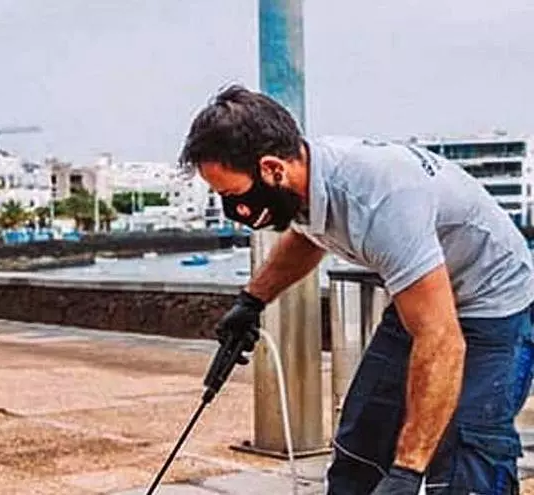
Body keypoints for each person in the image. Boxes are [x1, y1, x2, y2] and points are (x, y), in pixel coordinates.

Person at [178, 85, 534, 494]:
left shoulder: (380, 201)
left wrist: (408, 470)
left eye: (232, 195)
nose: (233, 211)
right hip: (422, 295)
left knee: (466, 463)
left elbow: (441, 339)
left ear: (272, 169)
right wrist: (252, 300)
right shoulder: (306, 183)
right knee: (363, 439)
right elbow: (308, 237)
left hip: (494, 305)